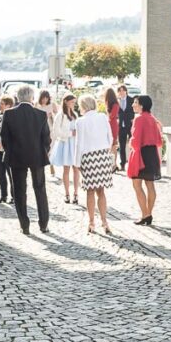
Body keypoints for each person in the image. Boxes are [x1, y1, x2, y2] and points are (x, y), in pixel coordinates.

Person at [1, 85, 52, 235]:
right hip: (37, 156)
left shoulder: (9, 114)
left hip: (16, 156)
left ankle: (25, 225)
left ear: (18, 97)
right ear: (32, 98)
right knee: (40, 189)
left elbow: (5, 137)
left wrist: (9, 151)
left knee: (19, 191)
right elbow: (46, 139)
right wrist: (44, 151)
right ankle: (43, 223)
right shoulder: (41, 114)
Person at [74, 94, 115, 234]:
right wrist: (106, 150)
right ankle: (104, 222)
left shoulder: (80, 121)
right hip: (102, 155)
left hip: (88, 157)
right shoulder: (102, 117)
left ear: (83, 106)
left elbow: (79, 144)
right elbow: (110, 137)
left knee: (90, 191)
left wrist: (77, 162)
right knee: (101, 191)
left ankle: (91, 222)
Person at [127, 95, 162, 225]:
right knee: (150, 185)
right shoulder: (152, 119)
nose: (133, 104)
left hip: (141, 154)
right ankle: (149, 213)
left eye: (135, 102)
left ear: (141, 105)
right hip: (151, 153)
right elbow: (159, 140)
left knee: (137, 185)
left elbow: (135, 142)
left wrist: (130, 144)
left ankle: (145, 214)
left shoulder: (139, 119)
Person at [51, 94, 81, 203]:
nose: (74, 104)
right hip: (65, 143)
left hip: (75, 144)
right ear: (66, 102)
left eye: (74, 102)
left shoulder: (75, 115)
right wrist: (70, 133)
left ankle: (76, 193)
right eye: (72, 102)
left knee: (76, 169)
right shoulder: (60, 115)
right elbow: (56, 131)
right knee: (66, 169)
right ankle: (67, 193)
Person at [36, 90, 58, 177]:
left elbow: (57, 116)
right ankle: (43, 166)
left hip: (50, 128)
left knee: (50, 147)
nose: (45, 100)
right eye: (43, 98)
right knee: (42, 147)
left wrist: (51, 115)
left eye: (46, 98)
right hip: (40, 129)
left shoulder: (52, 105)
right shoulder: (37, 105)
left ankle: (51, 166)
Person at [116, 84, 135, 171]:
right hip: (121, 126)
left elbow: (133, 110)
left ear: (126, 91)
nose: (121, 92)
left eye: (123, 90)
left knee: (133, 145)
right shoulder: (117, 101)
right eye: (120, 91)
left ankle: (133, 163)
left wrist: (131, 118)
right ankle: (122, 164)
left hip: (130, 125)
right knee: (122, 146)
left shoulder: (131, 100)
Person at [104, 87, 121, 164]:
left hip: (113, 125)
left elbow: (112, 116)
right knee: (110, 146)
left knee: (113, 145)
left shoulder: (115, 104)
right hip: (110, 124)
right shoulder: (111, 104)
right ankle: (111, 163)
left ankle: (114, 164)